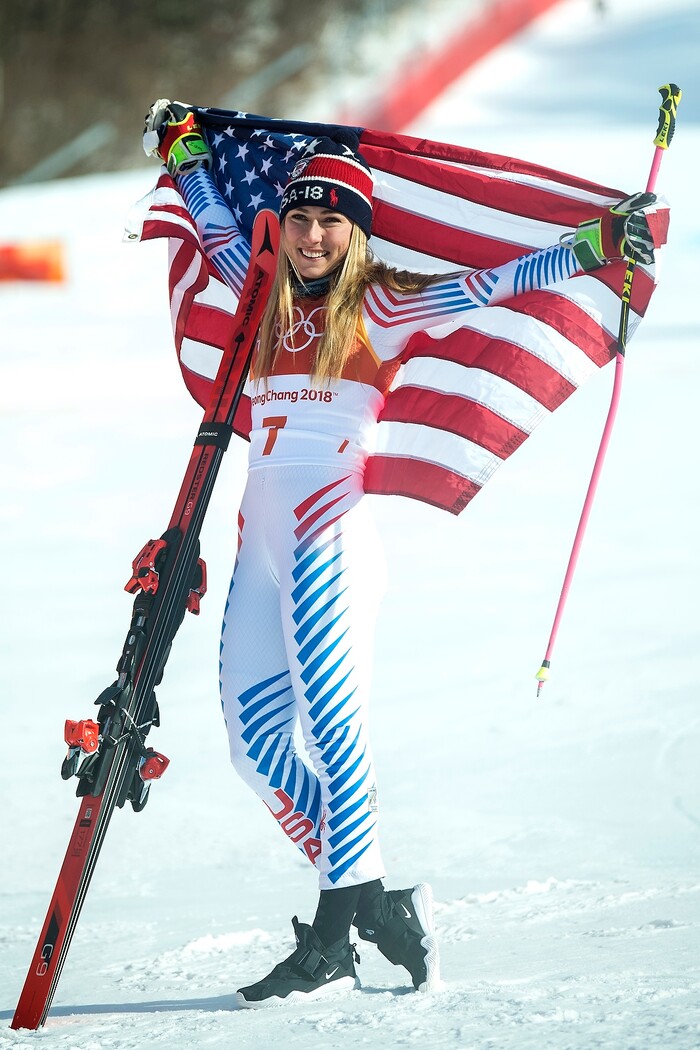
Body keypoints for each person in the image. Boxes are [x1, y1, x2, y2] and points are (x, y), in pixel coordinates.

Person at [143, 101, 656, 1009]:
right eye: (300, 218)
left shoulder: (381, 304)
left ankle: (332, 942)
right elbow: (217, 222)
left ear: (356, 233)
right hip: (259, 544)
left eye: (330, 222)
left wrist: (596, 245)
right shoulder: (258, 293)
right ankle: (377, 903)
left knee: (336, 739)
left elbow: (492, 284)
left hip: (328, 543)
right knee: (254, 749)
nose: (311, 236)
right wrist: (184, 147)